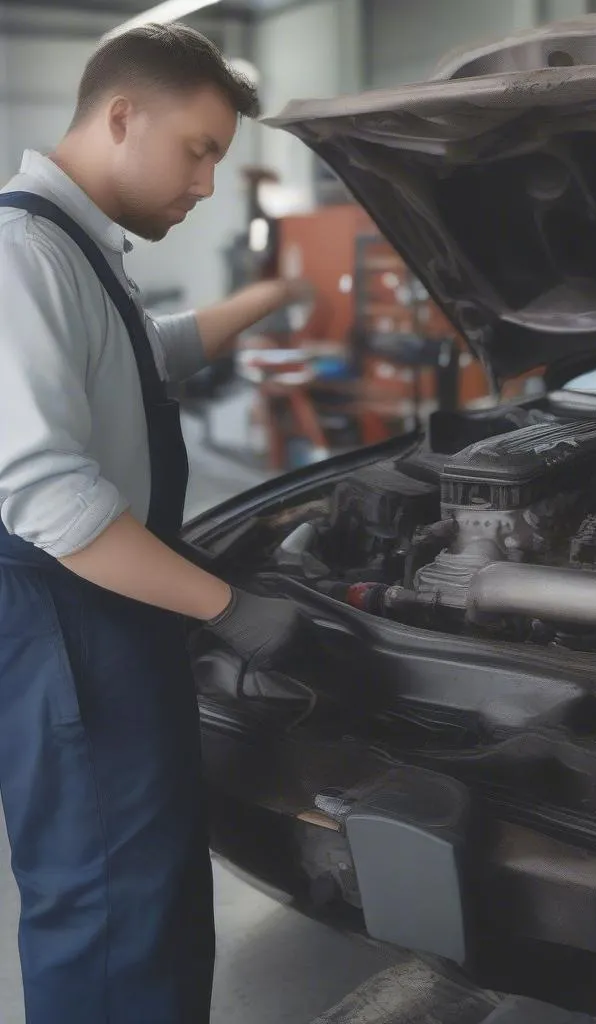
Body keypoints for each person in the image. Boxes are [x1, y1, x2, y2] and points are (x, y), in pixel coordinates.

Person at [0, 23, 316, 1024]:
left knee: (156, 888)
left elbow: (146, 355)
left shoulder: (78, 247)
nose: (208, 183)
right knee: (107, 907)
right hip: (66, 621)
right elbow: (49, 495)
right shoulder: (22, 255)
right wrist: (231, 606)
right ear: (122, 116)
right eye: (200, 150)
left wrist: (271, 297)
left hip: (111, 614)